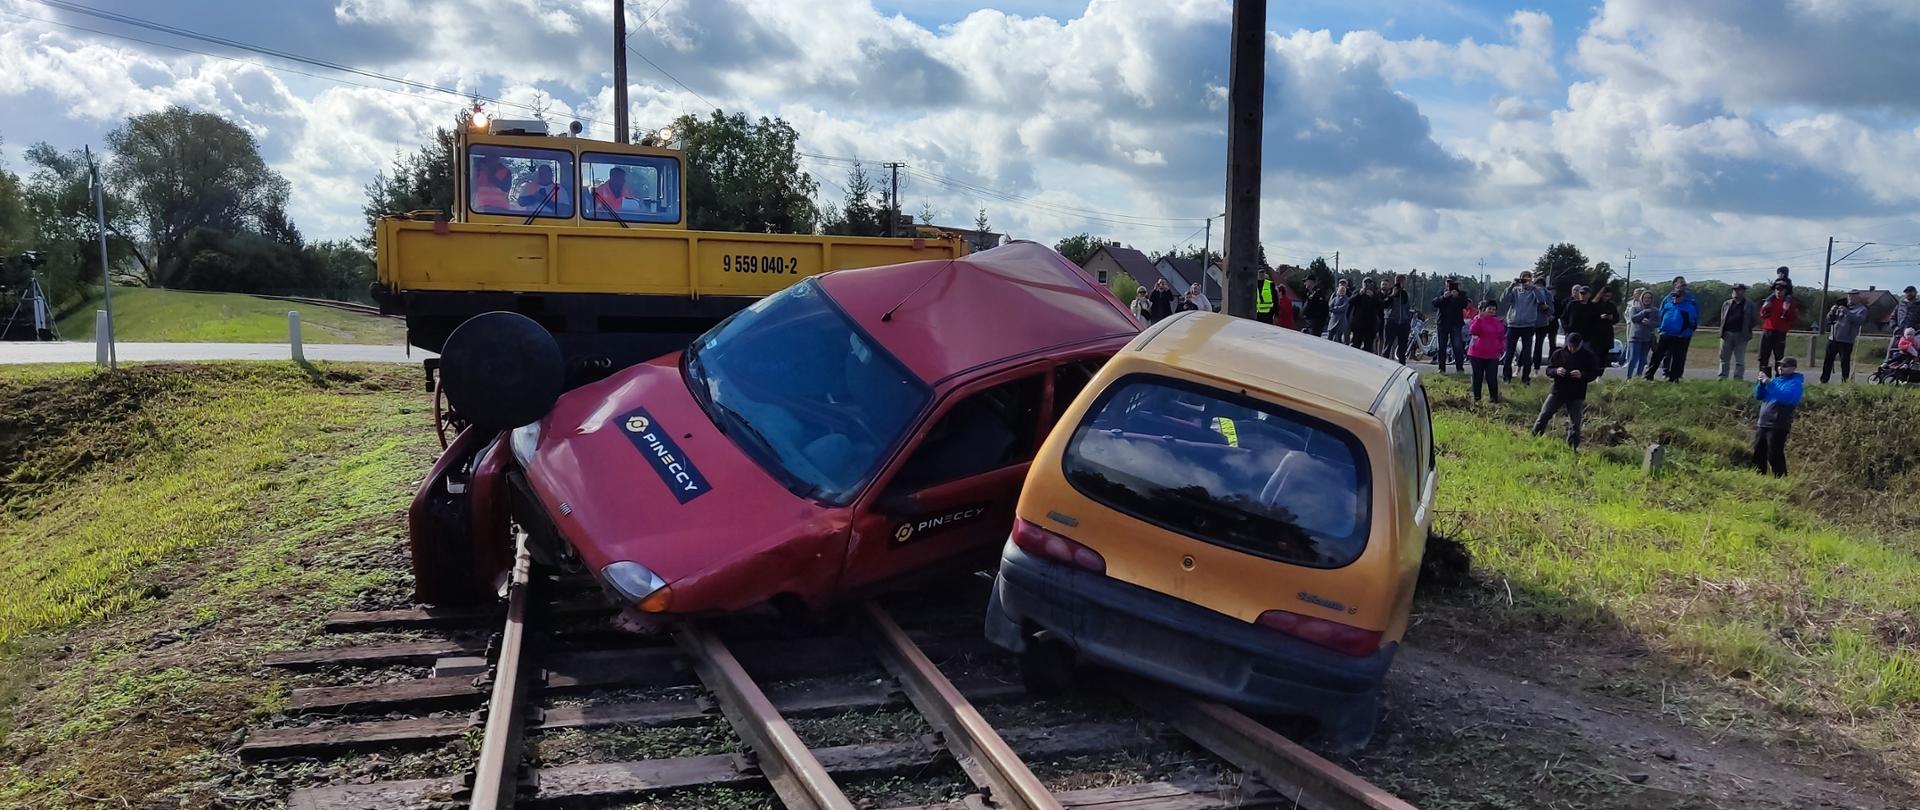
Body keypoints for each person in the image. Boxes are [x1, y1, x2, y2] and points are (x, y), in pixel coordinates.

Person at [1533, 332, 1601, 449]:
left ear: (1581, 344)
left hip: (1577, 393)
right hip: (1558, 391)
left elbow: (1594, 373)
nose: (1572, 349)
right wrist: (1556, 371)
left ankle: (1572, 447)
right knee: (1544, 415)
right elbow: (1548, 370)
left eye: (1575, 347)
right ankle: (1534, 438)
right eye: (1570, 346)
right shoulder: (1558, 353)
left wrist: (1582, 375)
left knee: (1575, 423)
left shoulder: (1588, 356)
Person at [1752, 357, 1804, 477]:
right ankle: (1758, 477)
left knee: (1774, 454)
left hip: (1778, 424)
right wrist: (1761, 384)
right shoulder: (1775, 381)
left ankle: (1780, 478)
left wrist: (1769, 383)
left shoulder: (1795, 383)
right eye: (1779, 365)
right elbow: (1759, 396)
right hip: (1763, 423)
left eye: (1784, 366)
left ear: (1793, 368)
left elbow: (1785, 398)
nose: (1780, 368)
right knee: (1758, 453)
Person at [1499, 271, 1552, 383]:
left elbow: (1542, 301)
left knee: (1527, 354)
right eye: (1523, 279)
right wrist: (1511, 286)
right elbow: (1503, 300)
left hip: (1528, 325)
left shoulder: (1535, 291)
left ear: (1531, 280)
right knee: (1509, 352)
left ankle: (1525, 379)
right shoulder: (1515, 290)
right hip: (1513, 324)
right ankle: (1507, 377)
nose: (1525, 281)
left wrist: (1534, 288)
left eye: (1528, 279)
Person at [1643, 278, 1699, 382]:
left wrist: (1687, 333)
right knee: (1657, 355)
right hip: (1666, 333)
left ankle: (1674, 379)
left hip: (1681, 335)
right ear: (1674, 285)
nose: (1675, 298)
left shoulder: (1690, 303)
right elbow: (1661, 315)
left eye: (1684, 284)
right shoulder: (1667, 300)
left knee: (1678, 358)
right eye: (1674, 296)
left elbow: (1693, 321)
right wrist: (1660, 329)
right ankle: (1648, 376)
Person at [1756, 279, 1800, 376]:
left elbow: (1792, 318)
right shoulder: (1769, 301)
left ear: (1785, 290)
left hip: (1780, 332)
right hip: (1768, 330)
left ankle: (1779, 378)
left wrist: (1787, 311)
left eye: (1782, 289)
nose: (1779, 291)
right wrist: (1766, 308)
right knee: (1763, 356)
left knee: (1779, 357)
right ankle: (1763, 377)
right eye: (1777, 289)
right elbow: (1762, 314)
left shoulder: (1789, 303)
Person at [1822, 292, 1868, 383]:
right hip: (1833, 338)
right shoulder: (1841, 306)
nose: (1850, 298)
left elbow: (1859, 321)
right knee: (1828, 360)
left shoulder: (1861, 309)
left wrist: (1847, 312)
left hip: (1846, 340)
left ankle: (1844, 382)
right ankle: (1823, 380)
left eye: (1853, 297)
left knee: (1844, 362)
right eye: (1849, 296)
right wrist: (1832, 311)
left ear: (1858, 298)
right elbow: (1829, 320)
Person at [1467, 300, 1506, 404]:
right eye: (1489, 309)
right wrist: (1479, 319)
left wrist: (1501, 348)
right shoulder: (1477, 319)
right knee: (1477, 376)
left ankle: (1494, 399)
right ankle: (1477, 399)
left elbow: (1501, 337)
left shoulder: (1498, 322)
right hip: (1476, 354)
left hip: (1492, 355)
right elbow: (1473, 331)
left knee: (1491, 377)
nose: (1492, 311)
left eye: (1494, 309)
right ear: (1484, 309)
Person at [1575, 286, 1620, 373]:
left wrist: (1611, 318)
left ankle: (1599, 374)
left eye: (1609, 296)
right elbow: (1588, 318)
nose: (1607, 298)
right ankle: (1591, 373)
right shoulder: (1594, 304)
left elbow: (1616, 318)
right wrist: (1599, 317)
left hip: (1607, 335)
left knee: (1603, 357)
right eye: (1605, 296)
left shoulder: (1611, 305)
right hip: (1595, 335)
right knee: (1594, 356)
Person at [1717, 283, 1757, 380]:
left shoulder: (1750, 305)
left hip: (1741, 335)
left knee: (1739, 359)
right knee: (1724, 358)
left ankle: (1738, 378)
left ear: (1743, 292)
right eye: (1734, 290)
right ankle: (1722, 377)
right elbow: (1722, 318)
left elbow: (1754, 319)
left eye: (1738, 290)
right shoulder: (1726, 304)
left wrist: (1747, 329)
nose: (1735, 292)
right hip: (1726, 334)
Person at [1431, 279, 1469, 372]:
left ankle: (1459, 368)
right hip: (1442, 323)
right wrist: (1443, 297)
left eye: (1452, 283)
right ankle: (1441, 368)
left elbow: (1465, 304)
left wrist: (1458, 297)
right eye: (1448, 283)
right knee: (1441, 346)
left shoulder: (1461, 294)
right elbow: (1434, 303)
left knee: (1457, 346)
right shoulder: (1441, 292)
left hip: (1455, 323)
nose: (1449, 285)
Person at [1382, 275, 1413, 363]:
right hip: (1391, 321)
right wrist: (1392, 295)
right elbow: (1384, 304)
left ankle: (1402, 364)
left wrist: (1408, 320)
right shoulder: (1390, 291)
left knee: (1402, 348)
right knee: (1388, 345)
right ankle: (1383, 364)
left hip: (1404, 323)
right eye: (1402, 282)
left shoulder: (1405, 293)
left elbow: (1406, 306)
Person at [1626, 288, 1656, 378]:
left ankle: (1638, 377)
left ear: (1652, 299)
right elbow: (1633, 319)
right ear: (1641, 298)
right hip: (1635, 337)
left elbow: (1658, 323)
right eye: (1645, 298)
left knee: (1643, 359)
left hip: (1647, 339)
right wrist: (1643, 312)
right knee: (1633, 358)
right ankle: (1628, 377)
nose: (1647, 300)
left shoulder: (1655, 310)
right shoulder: (1635, 308)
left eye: (1649, 298)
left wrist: (1649, 323)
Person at [1348, 277, 1384, 353]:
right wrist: (1359, 294)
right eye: (1365, 283)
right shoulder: (1357, 292)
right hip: (1358, 324)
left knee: (1368, 348)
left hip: (1370, 325)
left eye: (1369, 283)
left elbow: (1380, 305)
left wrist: (1373, 296)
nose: (1367, 285)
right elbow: (1350, 301)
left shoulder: (1375, 294)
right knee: (1355, 345)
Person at [1892, 286, 1920, 357]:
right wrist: (1895, 327)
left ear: (1915, 292)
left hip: (1915, 335)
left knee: (1914, 354)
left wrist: (1917, 329)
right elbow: (1892, 318)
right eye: (1907, 292)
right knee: (1894, 353)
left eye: (1910, 291)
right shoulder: (1900, 305)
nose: (1908, 293)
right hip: (1899, 333)